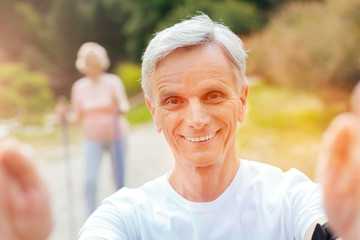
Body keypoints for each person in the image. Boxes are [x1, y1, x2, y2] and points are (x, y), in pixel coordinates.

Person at [0, 14, 359, 240]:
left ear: (243, 101)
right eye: (173, 101)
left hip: (114, 135)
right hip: (91, 138)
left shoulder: (289, 198)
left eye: (214, 95)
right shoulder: (124, 217)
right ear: (155, 113)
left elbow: (332, 226)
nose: (197, 118)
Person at [57, 42, 130, 216]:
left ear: (101, 60)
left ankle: (123, 216)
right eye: (87, 58)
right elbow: (76, 119)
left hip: (117, 135)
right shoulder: (79, 87)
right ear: (82, 62)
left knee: (119, 180)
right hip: (92, 138)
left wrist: (120, 107)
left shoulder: (113, 82)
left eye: (94, 57)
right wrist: (64, 115)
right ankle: (92, 219)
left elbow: (124, 105)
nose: (91, 61)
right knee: (89, 181)